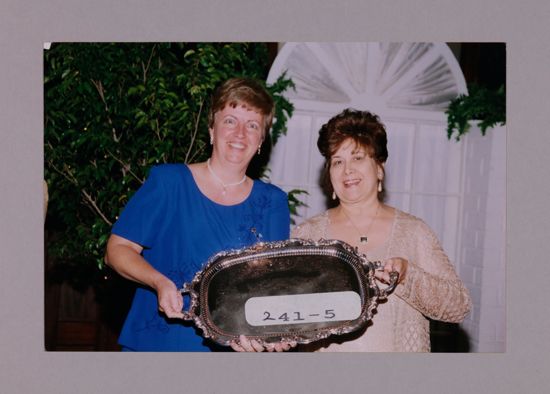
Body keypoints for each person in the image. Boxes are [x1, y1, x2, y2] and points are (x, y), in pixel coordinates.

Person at [105, 77, 293, 352]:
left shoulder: (272, 201)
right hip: (158, 344)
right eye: (230, 120)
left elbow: (272, 287)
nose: (240, 133)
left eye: (252, 125)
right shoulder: (169, 182)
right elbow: (116, 250)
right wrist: (158, 282)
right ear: (212, 130)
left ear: (261, 141)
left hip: (232, 352)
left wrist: (270, 333)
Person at [291, 108, 472, 352]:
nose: (347, 170)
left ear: (378, 167)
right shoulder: (307, 235)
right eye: (337, 161)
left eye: (358, 158)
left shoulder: (413, 231)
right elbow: (289, 313)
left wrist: (409, 276)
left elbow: (459, 307)